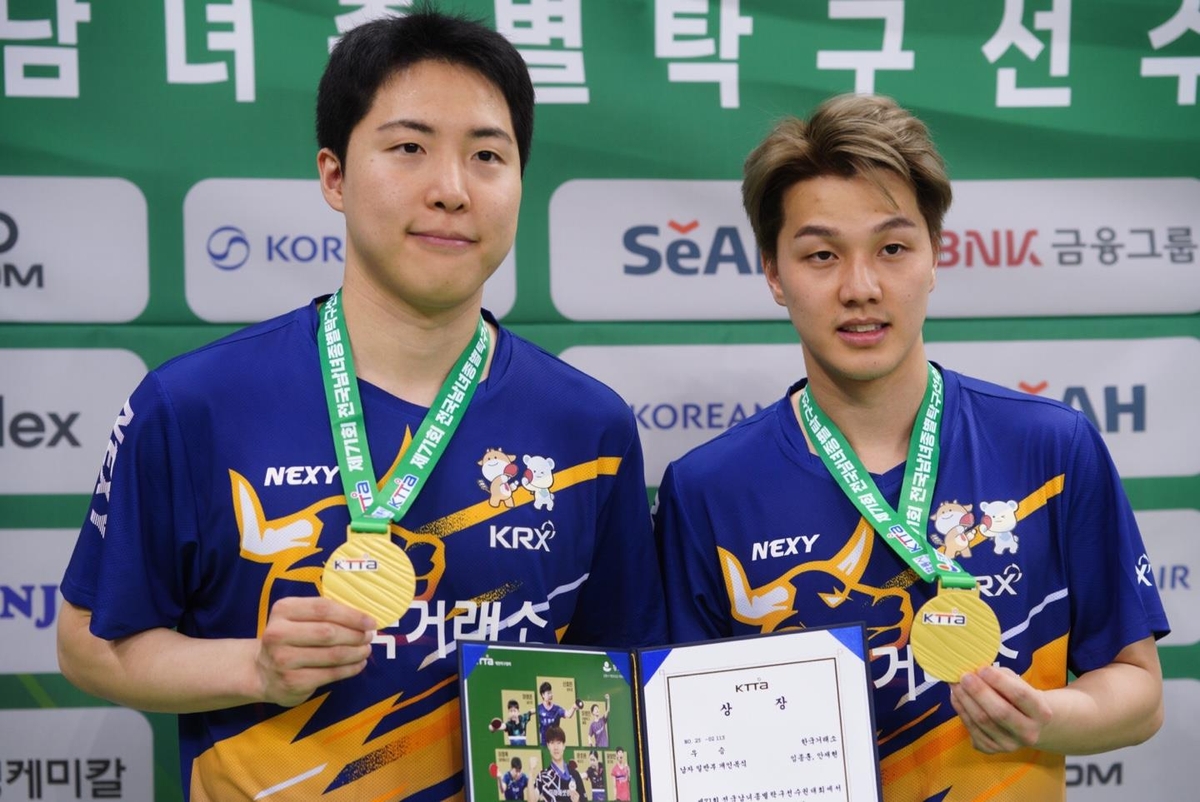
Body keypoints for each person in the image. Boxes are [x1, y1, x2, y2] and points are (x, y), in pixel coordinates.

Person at [55, 7, 666, 801]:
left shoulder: (588, 425)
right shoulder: (193, 405)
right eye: (409, 148)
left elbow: (619, 674)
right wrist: (254, 667)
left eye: (487, 155)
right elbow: (86, 644)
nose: (451, 191)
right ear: (335, 176)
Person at [653, 93, 1168, 800]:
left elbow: (1139, 692)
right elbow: (685, 739)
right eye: (821, 255)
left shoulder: (1050, 448)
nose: (861, 288)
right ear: (773, 272)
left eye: (892, 249)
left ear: (935, 257)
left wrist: (1047, 718)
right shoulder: (708, 490)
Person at [532, 726, 583, 802]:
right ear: (548, 746)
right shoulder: (542, 776)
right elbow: (531, 800)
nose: (556, 747)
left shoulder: (575, 774)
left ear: (564, 746)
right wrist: (531, 772)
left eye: (558, 743)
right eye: (552, 743)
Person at [536, 680, 579, 745]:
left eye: (551, 693)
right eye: (548, 693)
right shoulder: (539, 708)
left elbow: (568, 715)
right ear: (543, 695)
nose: (550, 695)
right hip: (543, 744)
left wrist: (573, 707)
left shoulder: (557, 709)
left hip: (555, 743)